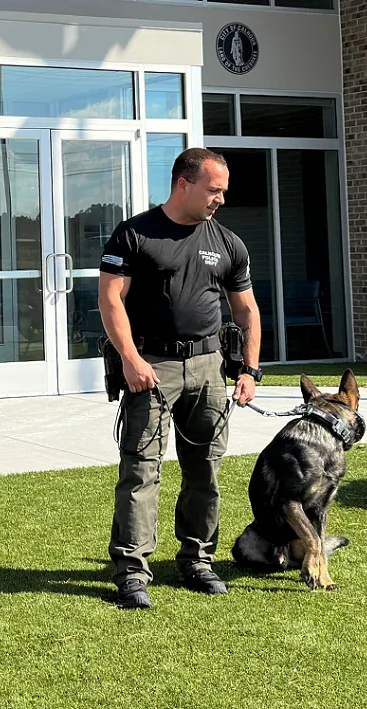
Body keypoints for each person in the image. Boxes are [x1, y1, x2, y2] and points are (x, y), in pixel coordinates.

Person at [97, 148, 263, 609]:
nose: (220, 199)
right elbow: (110, 299)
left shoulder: (228, 243)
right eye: (214, 190)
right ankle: (132, 572)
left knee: (205, 469)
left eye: (223, 191)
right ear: (183, 184)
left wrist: (249, 370)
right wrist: (130, 358)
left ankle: (197, 560)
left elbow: (246, 310)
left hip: (209, 368)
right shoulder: (134, 234)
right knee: (141, 470)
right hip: (151, 367)